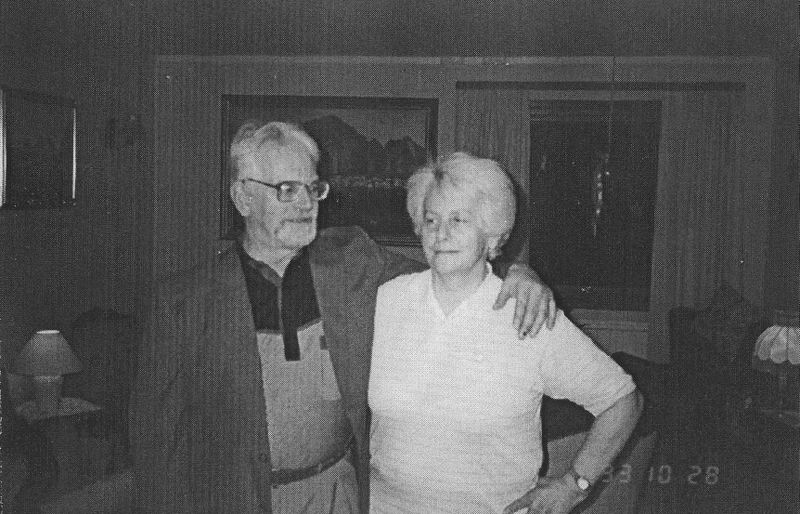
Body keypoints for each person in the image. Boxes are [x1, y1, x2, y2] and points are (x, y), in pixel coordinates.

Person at [130, 122, 556, 513]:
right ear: (243, 197)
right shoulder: (184, 302)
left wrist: (517, 272)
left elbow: (450, 268)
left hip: (337, 496)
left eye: (313, 188)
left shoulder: (353, 262)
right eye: (287, 189)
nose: (305, 204)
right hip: (234, 501)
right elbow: (156, 441)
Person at [368, 152, 644, 514]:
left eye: (459, 220)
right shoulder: (386, 301)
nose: (440, 234)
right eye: (431, 220)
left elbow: (622, 401)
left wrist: (575, 486)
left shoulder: (527, 311)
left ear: (493, 235)